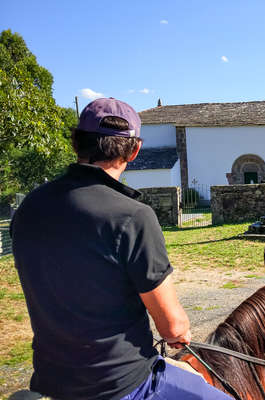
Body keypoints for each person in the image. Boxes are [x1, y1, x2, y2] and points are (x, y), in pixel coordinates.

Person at [10, 98, 231, 400]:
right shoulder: (133, 216)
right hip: (122, 384)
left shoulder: (29, 207)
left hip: (51, 379)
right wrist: (181, 334)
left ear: (76, 142)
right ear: (135, 150)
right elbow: (172, 327)